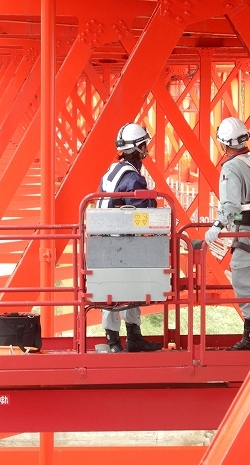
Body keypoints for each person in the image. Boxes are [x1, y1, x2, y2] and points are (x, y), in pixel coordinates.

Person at [204, 117, 250, 350]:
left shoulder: (231, 167)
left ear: (224, 144)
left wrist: (217, 225)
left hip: (246, 231)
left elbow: (231, 205)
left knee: (243, 281)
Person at [96, 122, 163, 353]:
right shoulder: (133, 178)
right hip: (122, 242)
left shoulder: (111, 170)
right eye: (145, 145)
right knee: (132, 286)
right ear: (140, 147)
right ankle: (133, 338)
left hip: (102, 241)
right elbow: (144, 210)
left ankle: (113, 341)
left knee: (110, 291)